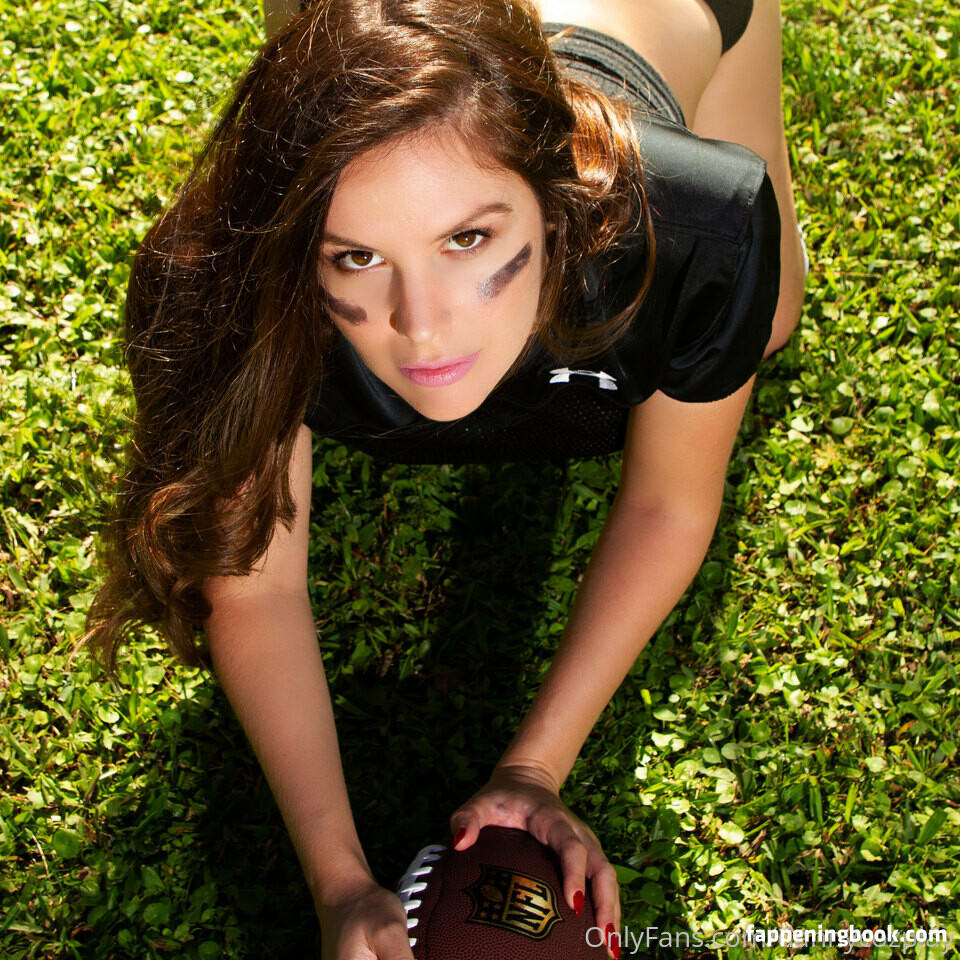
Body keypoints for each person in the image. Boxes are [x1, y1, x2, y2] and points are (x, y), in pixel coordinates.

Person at [81, 0, 807, 957]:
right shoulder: (228, 275)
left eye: (468, 240)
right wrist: (340, 883)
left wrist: (536, 770)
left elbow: (668, 506)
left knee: (774, 318)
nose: (420, 327)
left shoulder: (693, 230)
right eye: (356, 256)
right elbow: (255, 588)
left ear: (555, 201)